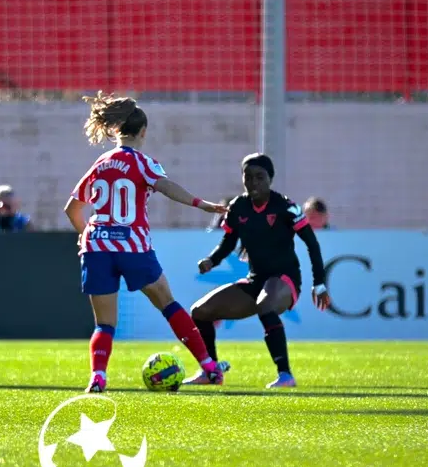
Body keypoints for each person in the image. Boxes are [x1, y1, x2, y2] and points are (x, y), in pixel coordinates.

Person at [62, 92, 229, 393]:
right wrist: (201, 204)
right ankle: (209, 366)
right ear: (143, 131)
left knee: (104, 323)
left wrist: (84, 235)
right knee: (168, 304)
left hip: (97, 246)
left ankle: (98, 377)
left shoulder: (100, 163)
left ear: (116, 129)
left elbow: (72, 209)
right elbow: (165, 187)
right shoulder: (142, 162)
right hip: (132, 245)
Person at [189, 154, 331, 389]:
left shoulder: (285, 206)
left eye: (260, 177)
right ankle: (211, 370)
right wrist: (211, 261)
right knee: (200, 311)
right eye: (248, 177)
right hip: (255, 281)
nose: (254, 182)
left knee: (266, 305)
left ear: (270, 179)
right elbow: (228, 242)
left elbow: (311, 243)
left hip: (285, 280)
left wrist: (320, 282)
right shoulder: (238, 206)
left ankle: (285, 375)